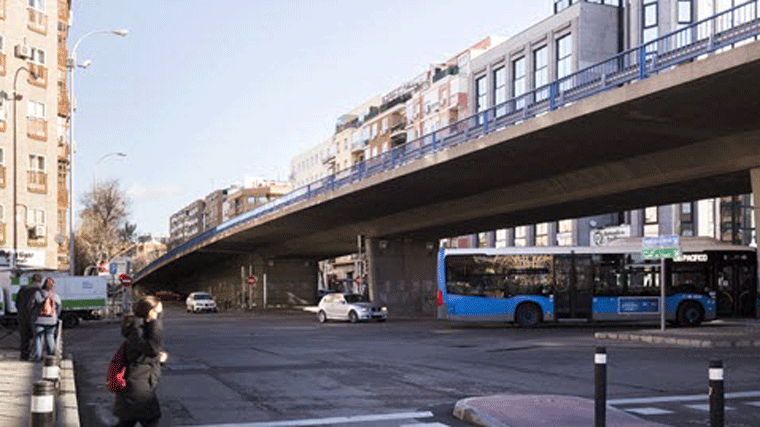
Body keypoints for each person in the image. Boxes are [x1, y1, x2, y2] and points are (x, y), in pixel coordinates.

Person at [114, 296, 168, 427]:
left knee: (127, 422)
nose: (161, 316)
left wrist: (158, 360)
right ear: (150, 312)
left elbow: (146, 353)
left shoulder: (140, 328)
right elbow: (153, 348)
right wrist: (155, 322)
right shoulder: (137, 330)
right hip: (138, 386)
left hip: (137, 383)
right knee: (150, 421)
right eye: (159, 312)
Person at [32, 277, 62, 361]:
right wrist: (56, 316)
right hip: (51, 320)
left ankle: (38, 356)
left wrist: (34, 315)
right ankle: (51, 356)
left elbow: (32, 305)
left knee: (38, 339)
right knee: (50, 337)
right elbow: (59, 306)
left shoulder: (37, 293)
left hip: (39, 319)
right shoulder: (54, 295)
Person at [15, 273, 43, 361]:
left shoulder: (22, 289)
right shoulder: (39, 290)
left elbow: (16, 303)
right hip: (34, 317)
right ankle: (36, 355)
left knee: (24, 337)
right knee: (37, 337)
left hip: (22, 316)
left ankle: (24, 355)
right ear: (40, 281)